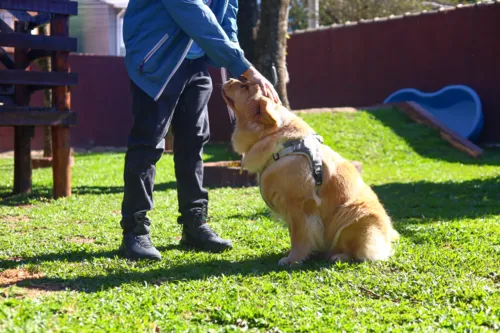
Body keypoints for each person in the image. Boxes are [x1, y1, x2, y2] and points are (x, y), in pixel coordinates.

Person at [118, 0, 280, 261]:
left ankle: (194, 224)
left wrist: (237, 60)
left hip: (196, 63)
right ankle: (134, 232)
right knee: (148, 144)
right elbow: (194, 14)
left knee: (194, 142)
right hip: (157, 60)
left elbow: (226, 18)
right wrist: (247, 69)